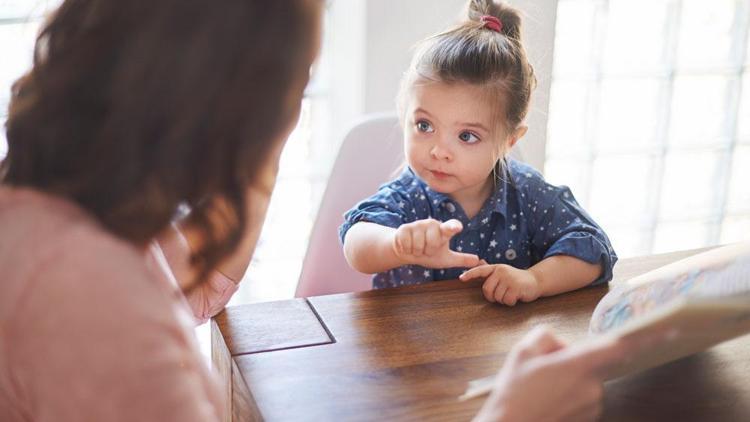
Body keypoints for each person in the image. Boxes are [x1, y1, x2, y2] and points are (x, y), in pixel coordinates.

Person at [0, 0, 623, 420]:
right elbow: (360, 236)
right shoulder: (80, 291)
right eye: (292, 86)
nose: (292, 117)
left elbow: (196, 291)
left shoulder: (78, 214)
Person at [340, 0, 617, 306]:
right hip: (405, 349)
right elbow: (356, 243)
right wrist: (396, 244)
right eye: (424, 125)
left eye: (467, 136)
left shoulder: (527, 193)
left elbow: (593, 248)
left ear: (510, 140)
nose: (439, 151)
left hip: (497, 350)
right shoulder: (407, 195)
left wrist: (535, 279)